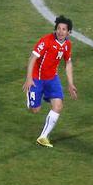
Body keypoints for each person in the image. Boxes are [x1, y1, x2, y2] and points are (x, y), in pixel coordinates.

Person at [24, 15, 77, 147]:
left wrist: (70, 83)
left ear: (68, 32)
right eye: (58, 28)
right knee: (35, 110)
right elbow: (32, 58)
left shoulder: (67, 45)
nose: (60, 31)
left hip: (52, 79)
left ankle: (43, 137)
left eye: (64, 29)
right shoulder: (46, 41)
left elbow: (68, 63)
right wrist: (29, 78)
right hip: (37, 79)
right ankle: (31, 98)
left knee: (58, 106)